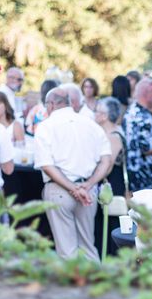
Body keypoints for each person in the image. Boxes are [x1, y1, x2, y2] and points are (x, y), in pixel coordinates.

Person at [33, 87, 111, 262]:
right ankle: (97, 285)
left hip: (59, 190)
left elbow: (46, 165)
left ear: (51, 104)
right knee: (88, 246)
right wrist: (88, 185)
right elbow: (106, 160)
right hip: (88, 190)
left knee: (66, 250)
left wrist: (72, 188)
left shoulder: (45, 126)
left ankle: (73, 287)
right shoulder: (91, 124)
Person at [93, 97, 127, 256]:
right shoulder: (110, 132)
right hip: (110, 184)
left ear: (105, 116)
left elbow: (107, 166)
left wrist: (90, 180)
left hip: (112, 186)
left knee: (111, 225)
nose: (95, 114)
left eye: (97, 111)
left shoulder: (112, 136)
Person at [123, 78, 152, 192]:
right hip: (145, 175)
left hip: (134, 173)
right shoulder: (143, 117)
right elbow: (147, 148)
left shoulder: (132, 111)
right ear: (147, 94)